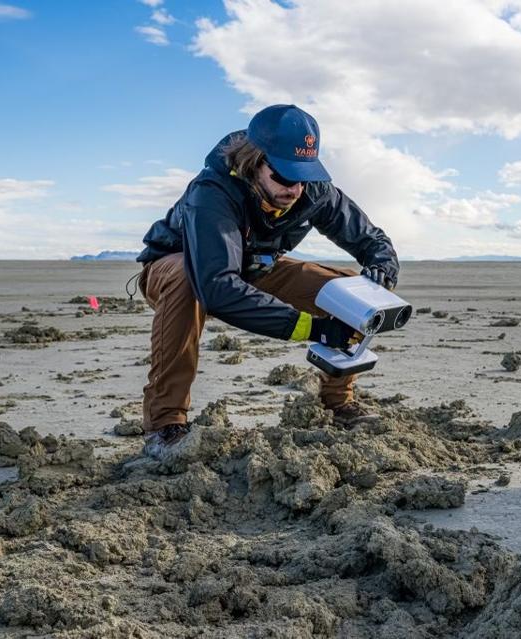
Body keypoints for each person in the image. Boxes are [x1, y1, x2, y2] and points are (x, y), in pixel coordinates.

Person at [135, 104, 398, 458]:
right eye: (286, 177)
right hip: (184, 268)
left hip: (258, 267)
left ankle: (338, 404)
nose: (296, 189)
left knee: (350, 291)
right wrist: (313, 329)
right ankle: (165, 424)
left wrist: (381, 270)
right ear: (254, 161)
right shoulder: (213, 191)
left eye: (303, 176)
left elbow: (372, 240)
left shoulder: (314, 191)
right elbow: (215, 286)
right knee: (186, 280)